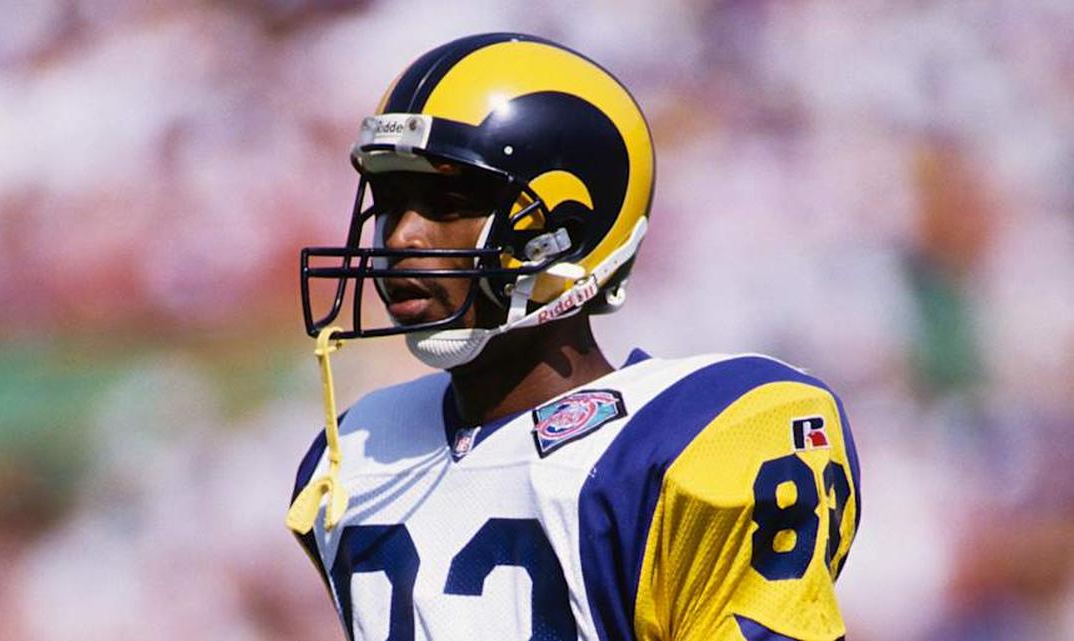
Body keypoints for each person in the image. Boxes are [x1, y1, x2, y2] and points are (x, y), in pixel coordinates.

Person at [286, 32, 860, 641]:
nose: (402, 237)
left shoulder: (695, 437)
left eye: (447, 201)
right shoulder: (359, 449)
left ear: (566, 230)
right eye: (392, 202)